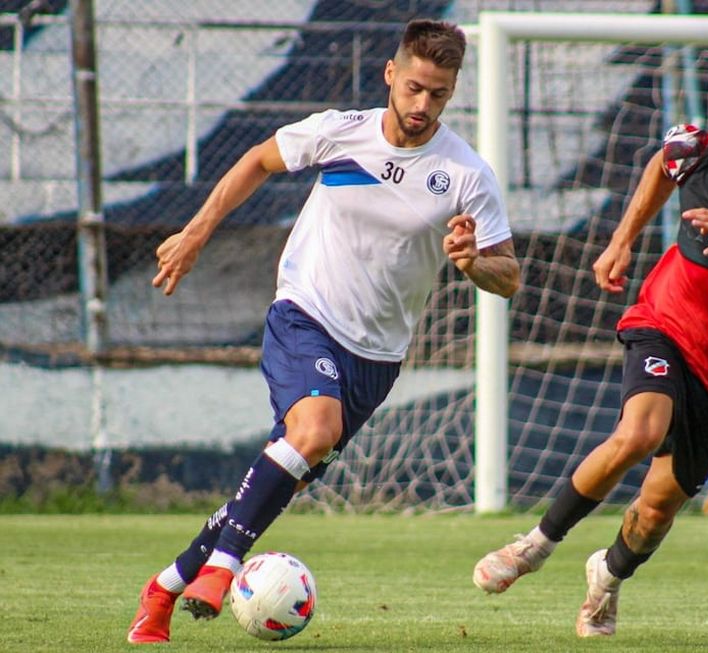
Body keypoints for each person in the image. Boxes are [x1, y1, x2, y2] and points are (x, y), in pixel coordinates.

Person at [127, 19, 519, 644]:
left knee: (287, 471)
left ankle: (166, 588)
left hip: (377, 357)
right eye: (414, 87)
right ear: (391, 75)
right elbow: (258, 159)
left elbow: (510, 277)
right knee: (314, 431)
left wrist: (473, 263)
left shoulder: (466, 174)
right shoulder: (340, 133)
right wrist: (198, 233)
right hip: (304, 313)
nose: (422, 106)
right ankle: (224, 568)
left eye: (438, 94)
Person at [473, 45, 708, 637]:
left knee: (655, 510)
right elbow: (658, 168)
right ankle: (534, 546)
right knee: (639, 431)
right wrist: (622, 239)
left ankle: (607, 579)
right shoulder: (697, 148)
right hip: (665, 323)